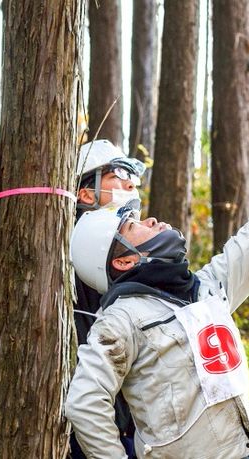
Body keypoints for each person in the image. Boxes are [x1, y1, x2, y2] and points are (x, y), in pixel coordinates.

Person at [65, 155, 249, 458]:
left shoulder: (202, 290)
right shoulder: (121, 318)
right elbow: (85, 402)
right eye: (132, 226)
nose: (150, 220)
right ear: (124, 261)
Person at [71, 140, 146, 458]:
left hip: (131, 418)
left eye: (133, 177)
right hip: (94, 419)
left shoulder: (132, 249)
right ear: (87, 194)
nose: (131, 184)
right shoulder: (77, 249)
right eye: (119, 174)